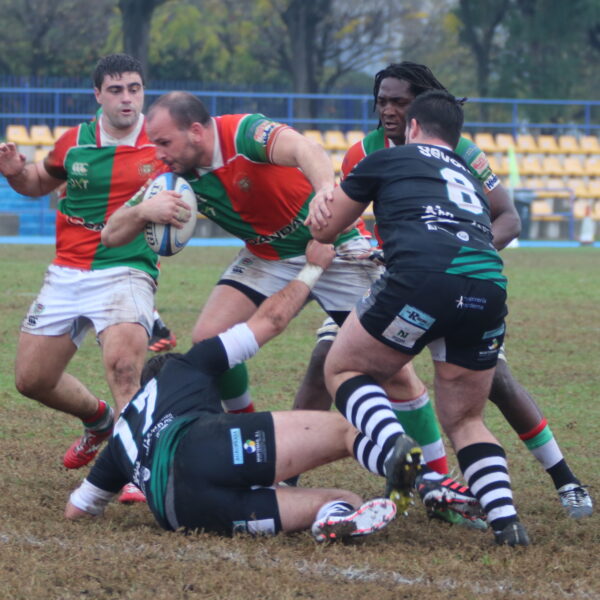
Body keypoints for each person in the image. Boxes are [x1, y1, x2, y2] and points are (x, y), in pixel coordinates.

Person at [101, 90, 487, 526]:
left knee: (396, 373)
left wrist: (326, 191)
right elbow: (111, 234)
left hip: (330, 245)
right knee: (209, 336)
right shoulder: (170, 173)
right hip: (265, 255)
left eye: (164, 142)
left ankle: (438, 483)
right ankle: (242, 429)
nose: (158, 152)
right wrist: (145, 210)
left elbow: (305, 148)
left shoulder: (242, 132)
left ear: (195, 131)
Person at [305, 61, 592, 520]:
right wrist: (361, 246)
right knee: (326, 356)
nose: (388, 110)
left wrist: (462, 253)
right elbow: (351, 219)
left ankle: (565, 479)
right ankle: (293, 478)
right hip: (393, 277)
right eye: (381, 101)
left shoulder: (460, 149)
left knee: (495, 380)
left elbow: (509, 218)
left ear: (418, 106)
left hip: (445, 273)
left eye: (399, 102)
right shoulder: (363, 152)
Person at [65, 241, 400, 543]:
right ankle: (420, 478)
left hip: (180, 512)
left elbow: (77, 510)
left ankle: (334, 517)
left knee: (343, 502)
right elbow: (271, 320)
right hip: (201, 448)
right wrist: (312, 267)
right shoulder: (186, 366)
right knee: (349, 429)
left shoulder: (120, 439)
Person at [310, 90, 530, 546]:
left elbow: (329, 231)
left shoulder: (390, 157)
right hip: (488, 284)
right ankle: (507, 523)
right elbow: (501, 217)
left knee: (343, 366)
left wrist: (321, 205)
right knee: (467, 419)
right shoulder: (469, 172)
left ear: (412, 127)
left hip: (423, 281)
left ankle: (393, 446)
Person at [0, 54, 174, 503]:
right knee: (31, 379)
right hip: (67, 272)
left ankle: (137, 468)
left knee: (123, 365)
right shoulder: (73, 142)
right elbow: (39, 182)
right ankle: (100, 421)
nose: (127, 98)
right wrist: (17, 173)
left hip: (127, 269)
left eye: (134, 88)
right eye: (115, 90)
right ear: (97, 95)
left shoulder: (161, 145)